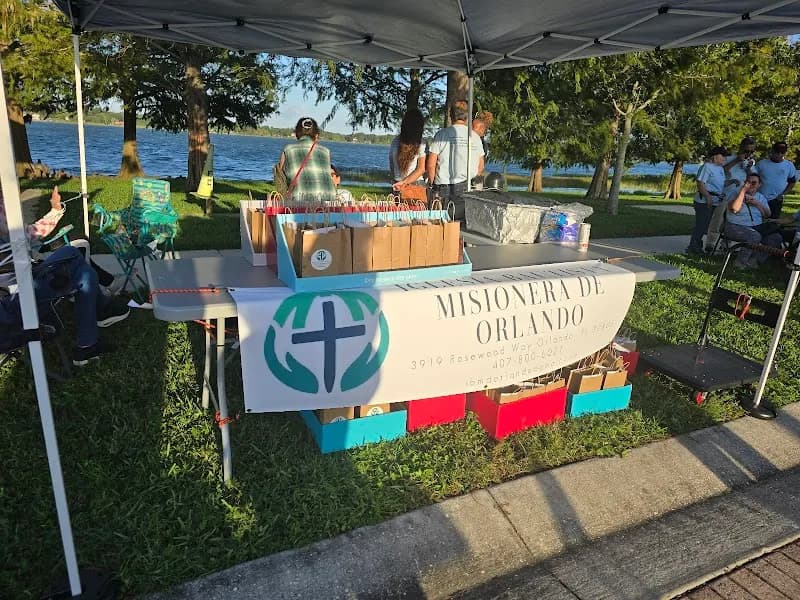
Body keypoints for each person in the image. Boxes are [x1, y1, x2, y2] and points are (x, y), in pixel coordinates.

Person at [0, 185, 130, 365]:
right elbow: (27, 235)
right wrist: (55, 211)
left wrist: (56, 211)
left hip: (20, 283)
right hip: (19, 295)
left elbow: (25, 237)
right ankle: (98, 317)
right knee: (77, 257)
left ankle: (92, 334)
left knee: (81, 263)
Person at [427, 100, 485, 220]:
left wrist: (432, 184)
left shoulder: (441, 134)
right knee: (460, 223)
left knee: (441, 222)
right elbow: (480, 166)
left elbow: (431, 164)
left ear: (451, 115)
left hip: (443, 186)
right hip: (466, 185)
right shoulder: (475, 137)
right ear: (467, 116)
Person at [724, 173, 782, 268]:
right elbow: (734, 209)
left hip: (756, 227)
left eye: (754, 183)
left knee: (776, 238)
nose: (750, 185)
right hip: (734, 226)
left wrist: (757, 203)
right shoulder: (736, 194)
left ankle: (754, 260)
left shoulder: (760, 197)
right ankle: (740, 262)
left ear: (759, 185)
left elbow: (767, 215)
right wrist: (743, 192)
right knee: (754, 236)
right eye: (748, 182)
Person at [278, 117, 336, 204]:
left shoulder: (288, 149)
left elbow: (280, 178)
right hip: (328, 200)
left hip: (300, 200)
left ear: (297, 132)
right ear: (316, 134)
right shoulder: (326, 151)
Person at [687, 146, 727, 255]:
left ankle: (696, 245)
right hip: (704, 201)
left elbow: (719, 184)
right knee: (701, 224)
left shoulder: (720, 168)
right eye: (722, 155)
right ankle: (693, 247)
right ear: (715, 156)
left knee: (706, 224)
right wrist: (707, 196)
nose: (724, 158)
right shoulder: (707, 167)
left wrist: (732, 182)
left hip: (716, 200)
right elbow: (700, 183)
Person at [755, 141, 796, 219]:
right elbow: (753, 179)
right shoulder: (761, 164)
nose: (780, 154)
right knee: (759, 218)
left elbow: (792, 182)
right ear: (772, 151)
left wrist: (783, 194)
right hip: (760, 197)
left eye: (782, 152)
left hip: (777, 199)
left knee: (773, 222)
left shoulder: (789, 165)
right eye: (777, 152)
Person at [389, 109, 427, 193]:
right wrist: (404, 182)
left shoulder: (396, 141)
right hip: (416, 184)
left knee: (399, 206)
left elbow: (391, 164)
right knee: (417, 206)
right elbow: (421, 169)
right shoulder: (421, 142)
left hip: (397, 184)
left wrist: (396, 181)